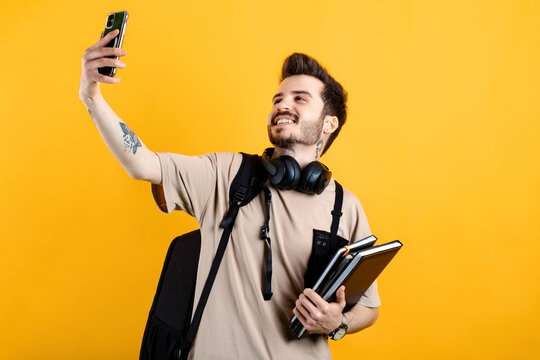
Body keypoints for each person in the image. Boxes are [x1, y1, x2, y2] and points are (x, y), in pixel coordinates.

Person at [79, 29, 380, 359]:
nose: (283, 105)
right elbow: (142, 163)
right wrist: (91, 95)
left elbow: (369, 308)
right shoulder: (227, 173)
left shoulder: (345, 207)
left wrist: (337, 323)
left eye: (299, 98)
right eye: (278, 99)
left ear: (328, 124)